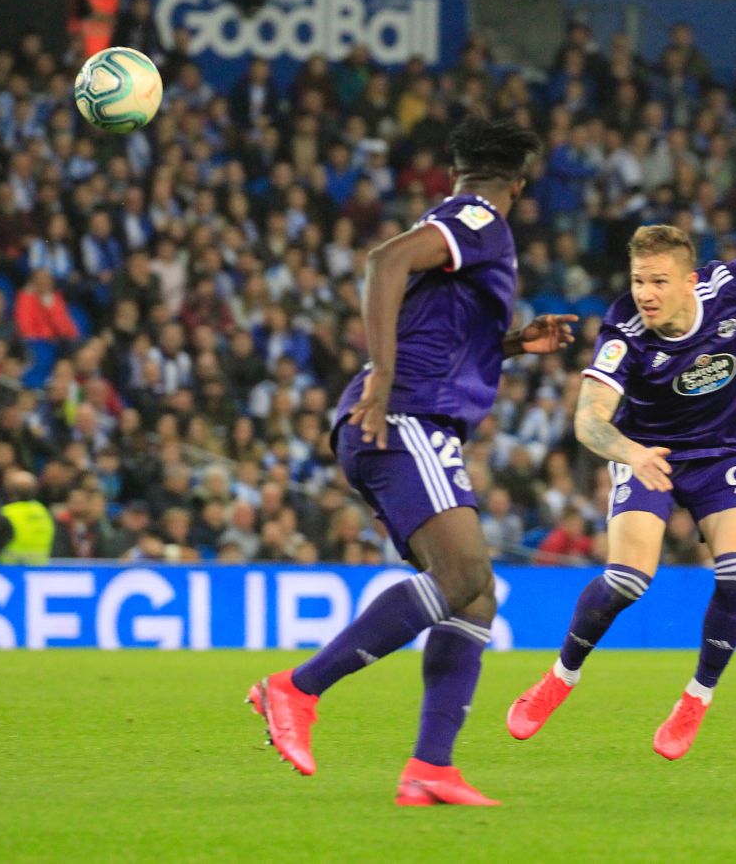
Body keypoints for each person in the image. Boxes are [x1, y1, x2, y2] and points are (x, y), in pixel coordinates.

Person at [246, 117, 576, 805]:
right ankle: (295, 689)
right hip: (402, 417)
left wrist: (512, 344)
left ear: (456, 169)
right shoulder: (481, 217)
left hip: (412, 418)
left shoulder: (456, 216)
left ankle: (431, 767)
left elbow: (440, 322)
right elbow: (382, 261)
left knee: (476, 596)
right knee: (464, 576)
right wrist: (380, 378)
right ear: (521, 182)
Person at [507, 221, 736, 760]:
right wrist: (631, 454)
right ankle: (559, 677)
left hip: (721, 455)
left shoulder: (734, 284)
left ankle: (695, 700)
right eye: (639, 280)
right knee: (627, 580)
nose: (646, 294)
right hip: (648, 454)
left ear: (691, 280)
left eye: (659, 281)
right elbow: (589, 421)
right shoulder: (624, 329)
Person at [0, 470, 55, 565]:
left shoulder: (8, 513)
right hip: (37, 572)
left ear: (11, 491)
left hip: (9, 571)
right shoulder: (44, 513)